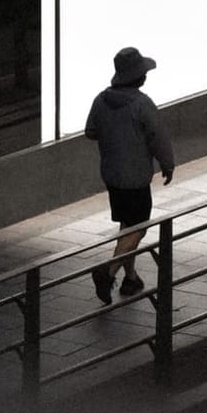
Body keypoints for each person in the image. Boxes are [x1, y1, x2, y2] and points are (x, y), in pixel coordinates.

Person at [86, 46, 175, 305]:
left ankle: (131, 278)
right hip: (136, 176)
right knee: (139, 226)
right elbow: (158, 137)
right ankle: (108, 271)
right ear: (138, 77)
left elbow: (90, 131)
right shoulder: (141, 104)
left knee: (127, 225)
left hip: (112, 175)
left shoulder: (101, 100)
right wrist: (167, 164)